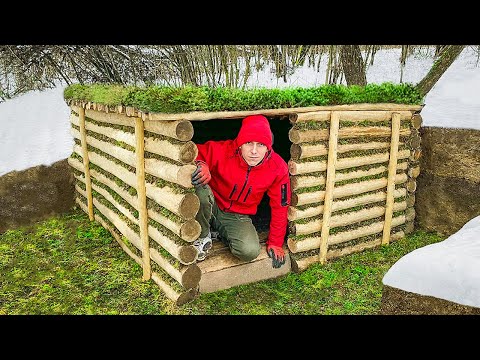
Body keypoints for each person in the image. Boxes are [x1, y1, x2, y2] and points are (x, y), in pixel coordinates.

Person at [191, 114, 291, 269]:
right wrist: (200, 163)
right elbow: (193, 151)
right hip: (212, 202)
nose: (254, 151)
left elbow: (280, 205)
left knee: (249, 251)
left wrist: (276, 243)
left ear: (268, 147)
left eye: (261, 145)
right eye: (248, 143)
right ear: (239, 144)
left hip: (237, 215)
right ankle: (202, 237)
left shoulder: (278, 168)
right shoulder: (223, 150)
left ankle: (218, 231)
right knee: (200, 189)